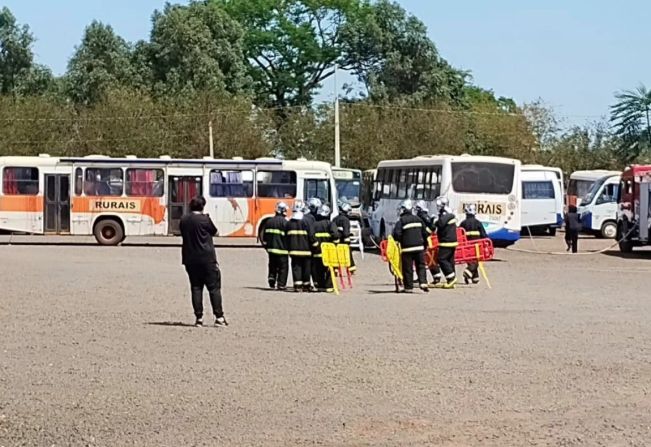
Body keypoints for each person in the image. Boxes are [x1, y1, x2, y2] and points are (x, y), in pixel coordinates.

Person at [180, 196, 228, 327]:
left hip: (190, 259)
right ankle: (219, 317)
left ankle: (199, 318)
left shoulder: (184, 220)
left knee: (196, 288)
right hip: (207, 258)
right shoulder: (205, 219)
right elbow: (216, 232)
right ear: (203, 206)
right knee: (214, 288)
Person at [392, 199, 429, 293]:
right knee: (421, 266)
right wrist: (425, 245)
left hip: (407, 249)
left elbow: (397, 234)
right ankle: (423, 282)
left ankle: (408, 287)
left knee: (408, 268)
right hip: (419, 248)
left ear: (404, 209)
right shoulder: (418, 219)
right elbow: (425, 233)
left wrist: (400, 241)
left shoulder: (401, 220)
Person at [261, 201, 289, 290]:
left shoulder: (269, 221)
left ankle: (271, 281)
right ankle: (281, 284)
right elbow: (288, 237)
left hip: (271, 250)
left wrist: (267, 247)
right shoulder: (285, 222)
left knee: (272, 266)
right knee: (283, 268)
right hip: (282, 250)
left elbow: (264, 237)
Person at [286, 202, 314, 292]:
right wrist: (315, 246)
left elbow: (286, 237)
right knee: (306, 269)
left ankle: (297, 286)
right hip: (306, 251)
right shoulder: (307, 221)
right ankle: (306, 285)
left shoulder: (289, 223)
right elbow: (311, 236)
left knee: (296, 268)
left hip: (294, 251)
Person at [433, 197, 458, 289]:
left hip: (446, 242)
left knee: (441, 259)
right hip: (451, 241)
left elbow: (441, 224)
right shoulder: (448, 213)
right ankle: (452, 279)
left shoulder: (446, 214)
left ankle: (451, 278)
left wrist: (434, 220)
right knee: (450, 260)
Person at [312, 204, 338, 292]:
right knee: (330, 270)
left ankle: (320, 286)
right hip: (329, 253)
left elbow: (310, 236)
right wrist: (334, 245)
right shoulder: (330, 224)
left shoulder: (314, 225)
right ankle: (329, 286)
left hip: (317, 252)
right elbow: (336, 236)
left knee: (318, 270)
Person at [459, 204, 487, 285]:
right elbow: (483, 235)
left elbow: (460, 234)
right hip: (477, 246)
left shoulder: (463, 223)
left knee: (470, 260)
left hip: (467, 246)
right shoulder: (478, 223)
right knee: (475, 261)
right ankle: (468, 273)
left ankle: (475, 278)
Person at [415, 200, 440, 286]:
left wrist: (425, 234)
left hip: (425, 240)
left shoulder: (423, 216)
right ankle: (434, 275)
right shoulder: (422, 216)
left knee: (427, 258)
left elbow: (432, 227)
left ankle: (436, 275)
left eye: (417, 208)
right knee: (426, 258)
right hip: (423, 239)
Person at [334, 202, 357, 273]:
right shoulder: (345, 220)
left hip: (336, 240)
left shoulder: (335, 219)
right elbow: (346, 232)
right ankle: (351, 268)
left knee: (335, 255)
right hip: (343, 240)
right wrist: (347, 241)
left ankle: (335, 269)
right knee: (348, 254)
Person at [304, 198, 321, 291]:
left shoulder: (306, 217)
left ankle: (306, 284)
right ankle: (314, 283)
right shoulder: (312, 219)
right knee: (311, 266)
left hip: (304, 245)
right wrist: (315, 244)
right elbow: (312, 233)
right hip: (310, 246)